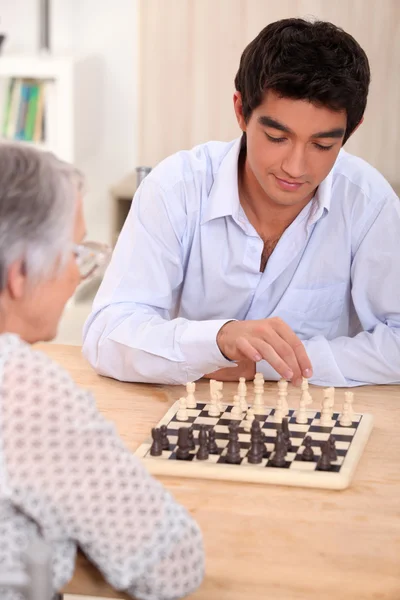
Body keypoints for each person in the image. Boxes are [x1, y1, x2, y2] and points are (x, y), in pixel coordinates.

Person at [83, 18, 400, 388]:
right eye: (277, 137)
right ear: (240, 111)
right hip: (187, 417)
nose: (295, 167)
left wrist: (261, 364)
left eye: (322, 145)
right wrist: (218, 341)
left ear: (351, 130)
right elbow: (107, 333)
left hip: (312, 421)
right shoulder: (176, 188)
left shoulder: (368, 202)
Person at [0, 144, 204, 600]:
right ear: (19, 274)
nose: (79, 275)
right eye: (73, 254)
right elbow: (173, 565)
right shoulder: (22, 387)